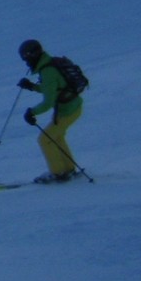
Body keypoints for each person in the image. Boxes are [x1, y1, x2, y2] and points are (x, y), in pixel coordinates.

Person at [16, 39, 84, 183]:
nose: (26, 63)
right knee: (56, 137)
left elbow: (48, 103)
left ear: (33, 56)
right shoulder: (49, 64)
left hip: (68, 111)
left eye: (27, 59)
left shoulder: (48, 71)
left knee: (44, 139)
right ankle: (68, 169)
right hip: (71, 107)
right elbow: (52, 89)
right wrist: (32, 87)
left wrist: (31, 112)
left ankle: (58, 173)